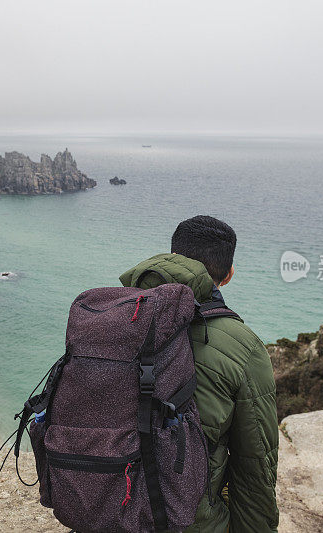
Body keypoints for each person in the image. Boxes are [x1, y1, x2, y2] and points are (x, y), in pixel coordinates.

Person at [119, 215, 279, 533]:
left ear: (172, 257)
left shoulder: (114, 314)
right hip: (188, 522)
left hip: (104, 505)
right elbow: (254, 463)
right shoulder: (243, 346)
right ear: (229, 275)